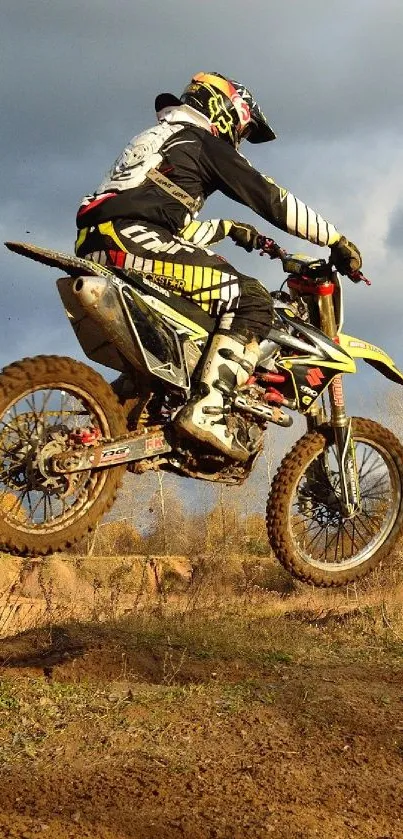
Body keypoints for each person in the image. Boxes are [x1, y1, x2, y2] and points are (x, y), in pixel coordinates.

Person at [75, 71, 361, 461]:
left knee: (192, 322)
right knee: (252, 300)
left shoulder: (160, 136)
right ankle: (208, 410)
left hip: (99, 240)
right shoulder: (202, 141)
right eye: (242, 130)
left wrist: (228, 228)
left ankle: (119, 418)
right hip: (130, 237)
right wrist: (334, 239)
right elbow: (270, 198)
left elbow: (156, 209)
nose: (239, 140)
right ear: (226, 112)